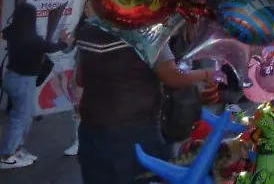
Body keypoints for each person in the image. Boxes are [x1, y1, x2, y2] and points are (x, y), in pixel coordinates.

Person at [75, 19, 218, 184]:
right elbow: (172, 76)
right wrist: (206, 73)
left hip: (91, 130)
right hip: (135, 132)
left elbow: (80, 79)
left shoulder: (90, 28)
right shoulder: (146, 32)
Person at [0, 3, 68, 170]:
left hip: (14, 77)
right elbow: (48, 47)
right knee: (20, 117)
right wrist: (63, 43)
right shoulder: (29, 37)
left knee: (24, 115)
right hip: (22, 80)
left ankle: (18, 149)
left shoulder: (13, 33)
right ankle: (8, 156)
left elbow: (41, 45)